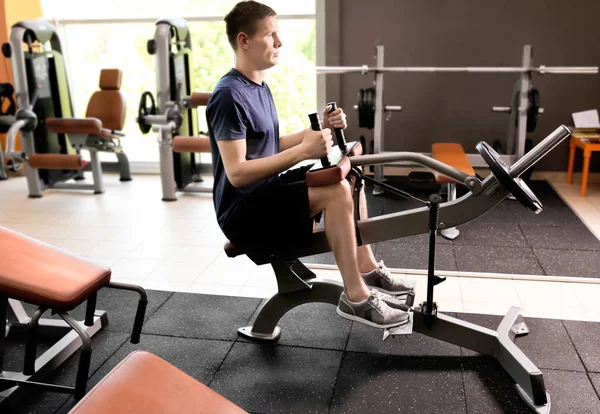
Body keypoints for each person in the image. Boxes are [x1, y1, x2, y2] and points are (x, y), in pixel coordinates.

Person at [206, 0, 412, 329]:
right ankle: (357, 298)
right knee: (334, 191)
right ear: (244, 41)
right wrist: (304, 152)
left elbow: (269, 144)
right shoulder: (228, 95)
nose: (280, 42)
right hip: (243, 212)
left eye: (279, 35)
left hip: (264, 194)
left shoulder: (258, 86)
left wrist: (320, 132)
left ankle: (367, 266)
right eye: (271, 35)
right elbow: (238, 173)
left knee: (351, 174)